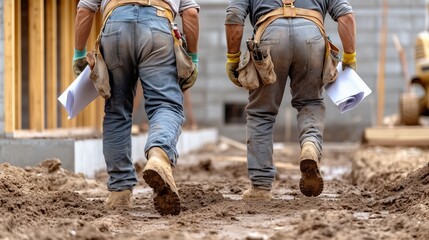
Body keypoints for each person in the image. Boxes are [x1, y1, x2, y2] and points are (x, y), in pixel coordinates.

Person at [73, 0, 200, 215]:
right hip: (157, 29)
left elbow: (85, 9)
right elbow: (190, 14)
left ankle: (120, 191)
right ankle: (159, 154)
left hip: (115, 28)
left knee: (116, 109)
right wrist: (193, 58)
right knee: (165, 104)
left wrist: (78, 55)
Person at [225, 0, 356, 200]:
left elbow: (234, 15)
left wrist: (233, 58)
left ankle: (260, 187)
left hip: (270, 37)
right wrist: (350, 57)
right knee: (310, 103)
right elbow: (346, 16)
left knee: (261, 112)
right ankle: (310, 145)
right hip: (312, 39)